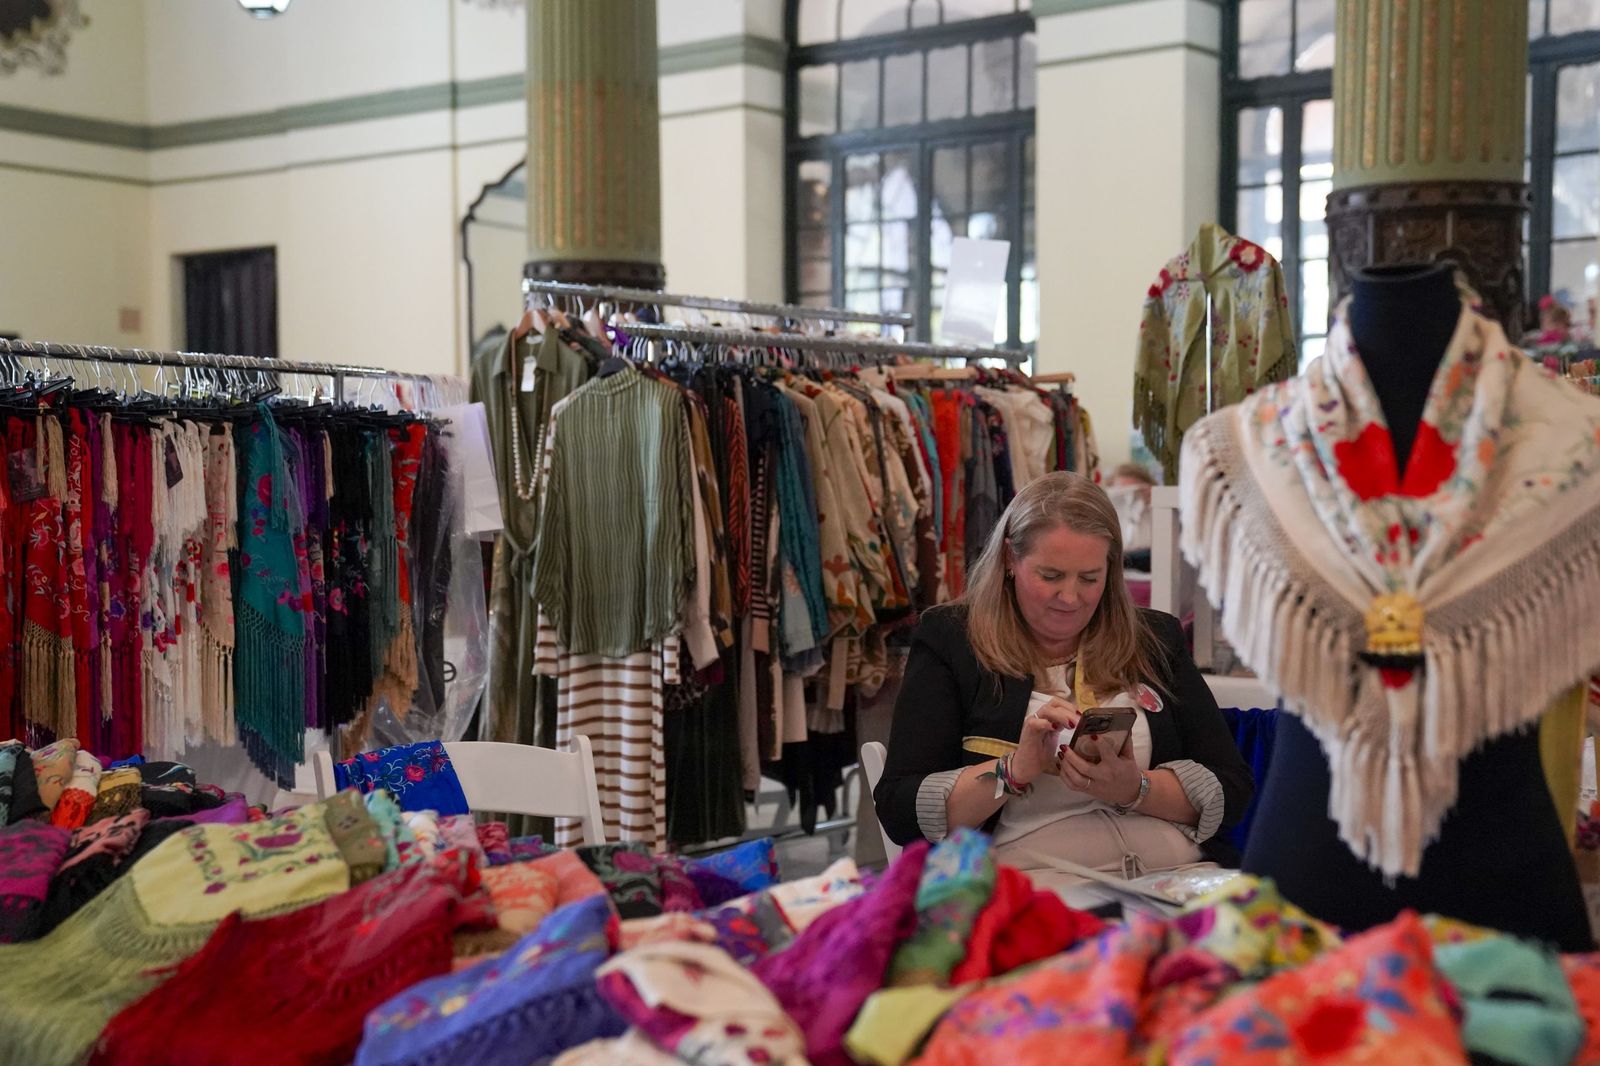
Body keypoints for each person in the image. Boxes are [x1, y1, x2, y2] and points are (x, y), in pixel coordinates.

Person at [873, 472, 1252, 894]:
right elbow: (900, 809)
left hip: (1180, 882)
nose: (1070, 598)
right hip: (1038, 893)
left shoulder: (1155, 638)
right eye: (1051, 576)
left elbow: (1233, 788)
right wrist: (1013, 771)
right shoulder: (953, 641)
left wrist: (1135, 788)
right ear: (1009, 561)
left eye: (1089, 578)